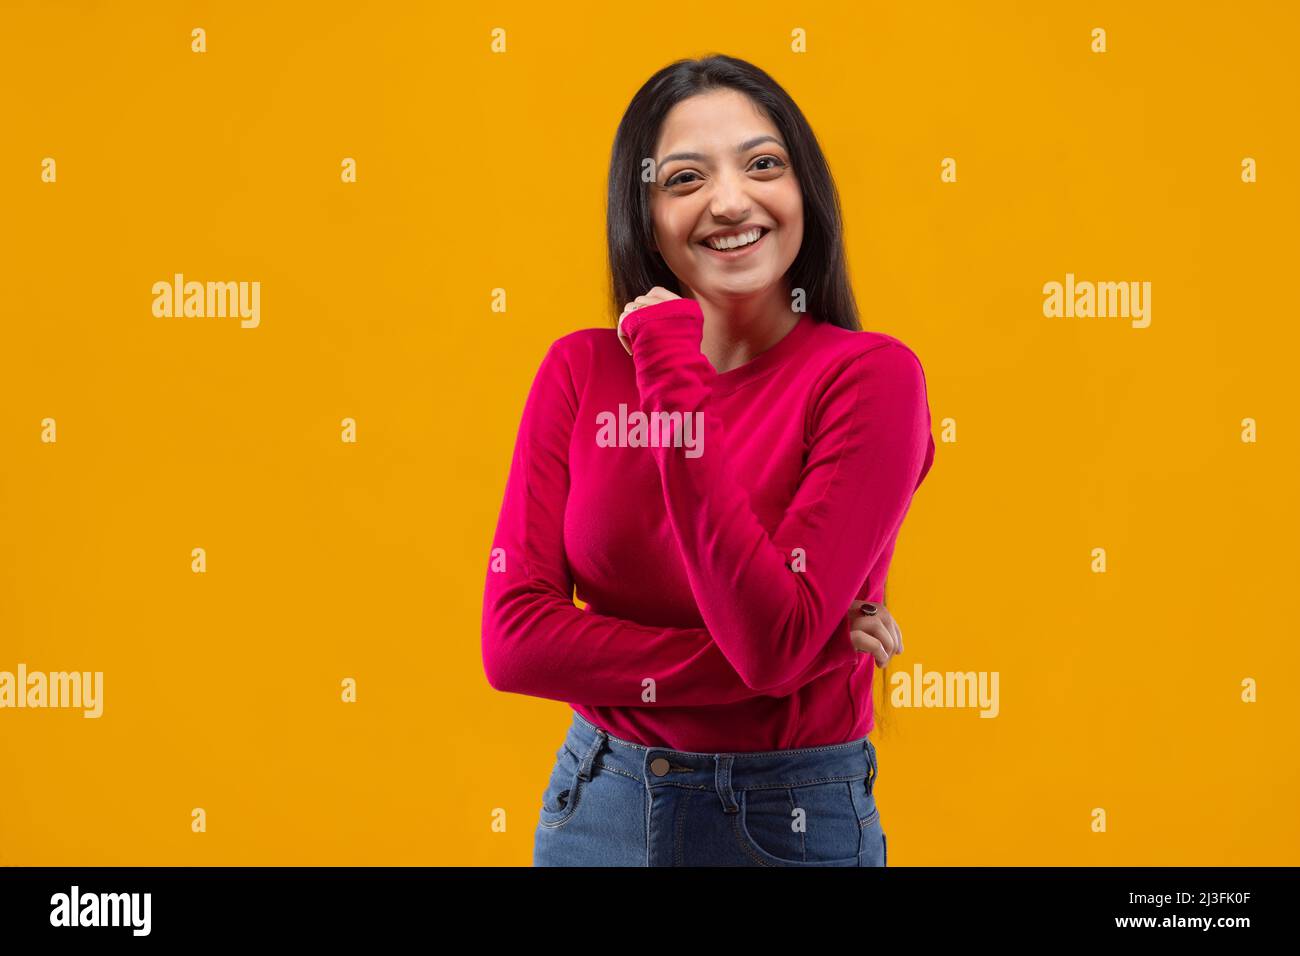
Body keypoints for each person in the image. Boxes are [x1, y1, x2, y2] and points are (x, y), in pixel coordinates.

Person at [482, 54, 936, 866]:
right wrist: (818, 647)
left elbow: (770, 645)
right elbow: (515, 643)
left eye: (764, 165)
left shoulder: (872, 380)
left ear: (806, 194)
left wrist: (671, 380)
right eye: (684, 178)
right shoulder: (580, 370)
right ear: (644, 213)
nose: (731, 201)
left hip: (788, 818)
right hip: (598, 803)